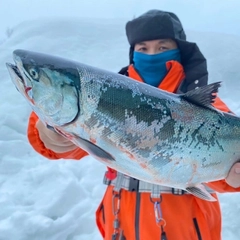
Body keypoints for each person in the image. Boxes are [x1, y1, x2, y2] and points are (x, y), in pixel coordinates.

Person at [28, 10, 240, 240]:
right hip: (122, 226)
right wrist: (50, 133)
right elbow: (72, 143)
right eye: (143, 48)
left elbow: (223, 162)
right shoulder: (104, 98)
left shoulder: (206, 108)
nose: (152, 54)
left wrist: (232, 178)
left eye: (162, 47)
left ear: (180, 50)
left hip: (186, 231)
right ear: (133, 52)